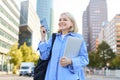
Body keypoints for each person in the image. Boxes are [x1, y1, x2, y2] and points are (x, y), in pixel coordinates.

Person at [38, 12, 89, 80]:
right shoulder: (54, 38)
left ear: (72, 23)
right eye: (60, 20)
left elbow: (84, 59)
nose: (61, 21)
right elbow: (44, 56)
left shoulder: (78, 38)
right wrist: (43, 37)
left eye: (65, 19)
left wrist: (71, 61)